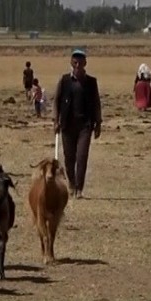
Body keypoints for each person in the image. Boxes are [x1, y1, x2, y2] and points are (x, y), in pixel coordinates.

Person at [52, 48, 102, 199]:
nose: (78, 64)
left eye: (81, 61)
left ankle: (79, 188)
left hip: (85, 126)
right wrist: (56, 120)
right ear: (71, 62)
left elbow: (96, 103)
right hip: (67, 125)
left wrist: (98, 123)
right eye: (75, 61)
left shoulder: (91, 82)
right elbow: (56, 102)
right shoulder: (65, 80)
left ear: (85, 63)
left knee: (82, 157)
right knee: (69, 158)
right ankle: (72, 185)